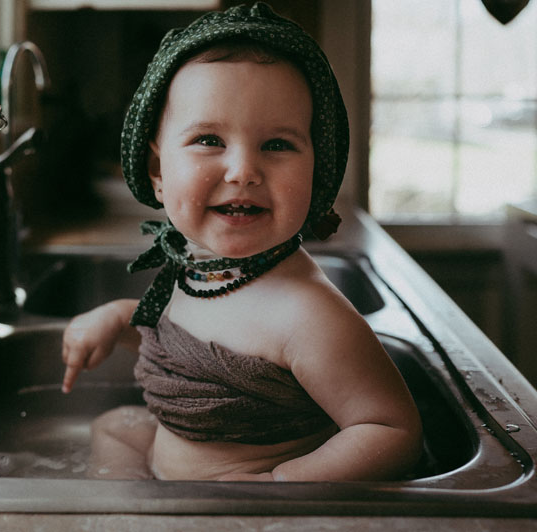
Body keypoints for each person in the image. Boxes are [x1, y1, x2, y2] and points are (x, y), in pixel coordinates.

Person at [61, 2, 422, 482]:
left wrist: (277, 486)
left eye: (277, 145)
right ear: (157, 173)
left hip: (242, 510)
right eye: (209, 140)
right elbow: (194, 353)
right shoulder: (198, 266)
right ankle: (124, 514)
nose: (243, 172)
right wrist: (120, 320)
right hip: (176, 483)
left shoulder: (308, 314)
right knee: (116, 426)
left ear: (318, 173)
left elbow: (391, 429)